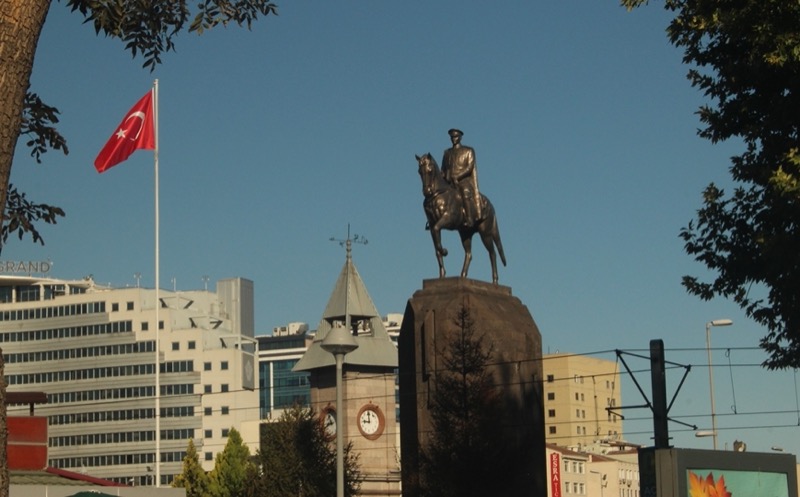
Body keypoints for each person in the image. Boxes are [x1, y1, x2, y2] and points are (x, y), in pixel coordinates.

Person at [441, 128, 482, 226]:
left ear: (460, 138)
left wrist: (458, 176)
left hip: (464, 181)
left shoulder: (468, 151)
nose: (453, 139)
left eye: (455, 137)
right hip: (449, 182)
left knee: (464, 192)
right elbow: (443, 169)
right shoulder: (447, 153)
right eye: (452, 137)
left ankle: (469, 218)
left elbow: (470, 167)